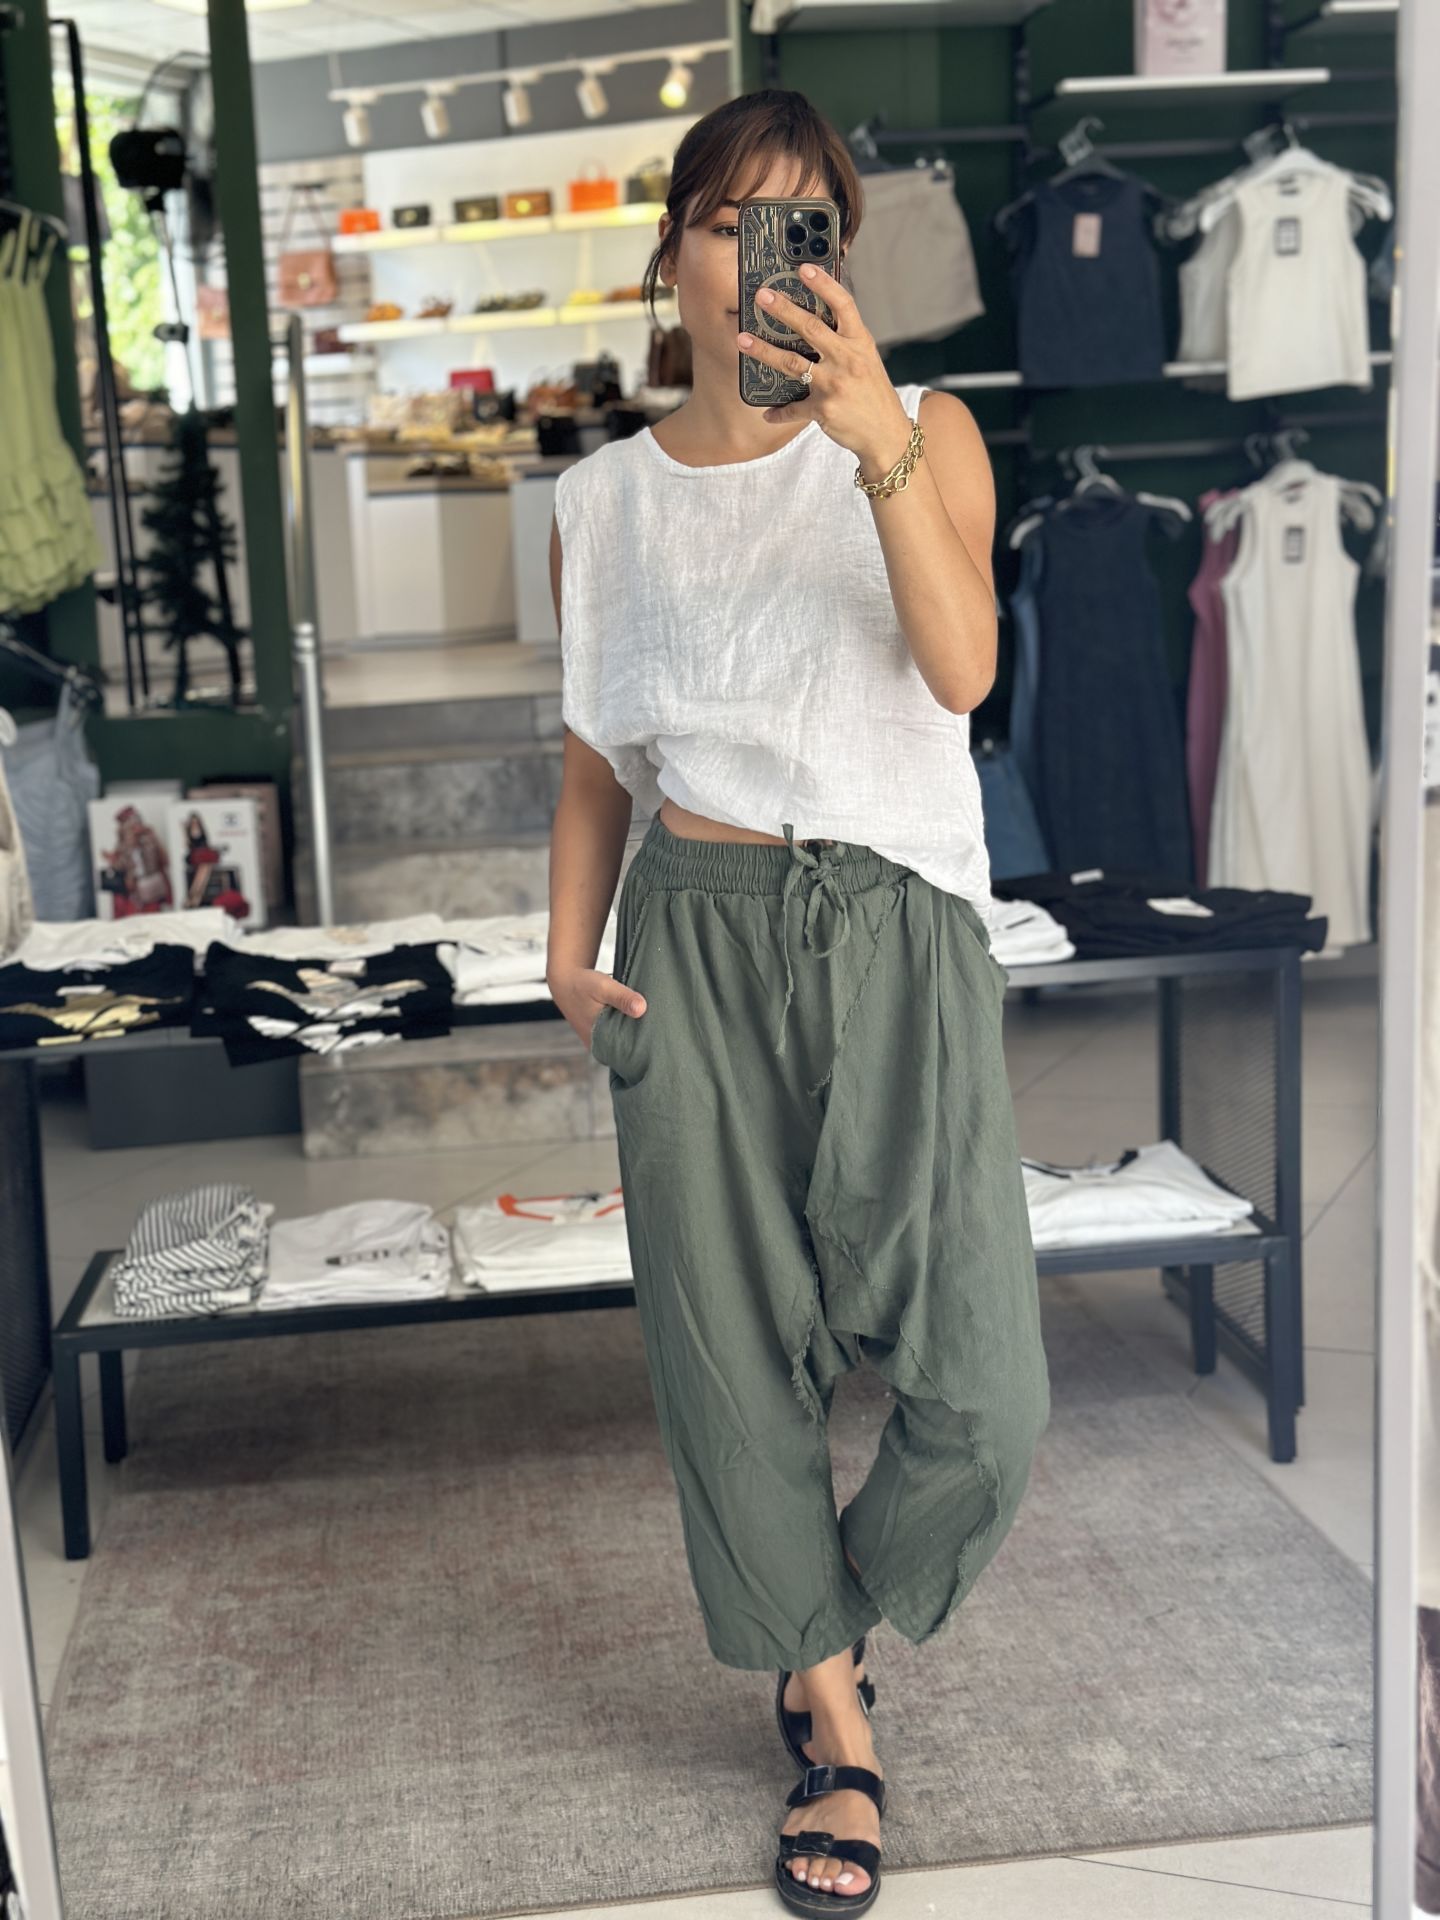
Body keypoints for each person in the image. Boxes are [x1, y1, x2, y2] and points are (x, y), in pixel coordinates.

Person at [545, 88, 1050, 1916]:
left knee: (986, 1393)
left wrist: (874, 444)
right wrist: (564, 953)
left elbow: (962, 672)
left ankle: (807, 1610)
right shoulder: (599, 502)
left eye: (805, 225)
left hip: (899, 928)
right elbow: (596, 753)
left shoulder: (926, 430)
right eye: (731, 222)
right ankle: (835, 1723)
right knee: (728, 1358)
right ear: (674, 254)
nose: (767, 260)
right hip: (692, 933)